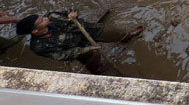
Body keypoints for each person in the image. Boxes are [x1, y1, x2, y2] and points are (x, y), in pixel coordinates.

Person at [15, 10, 143, 75]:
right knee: (92, 59)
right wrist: (87, 49)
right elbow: (62, 55)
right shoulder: (39, 46)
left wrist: (73, 13)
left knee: (113, 33)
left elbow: (69, 11)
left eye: (42, 17)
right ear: (35, 31)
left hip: (88, 30)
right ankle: (97, 69)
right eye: (42, 20)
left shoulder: (52, 15)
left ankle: (127, 36)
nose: (46, 18)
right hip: (79, 48)